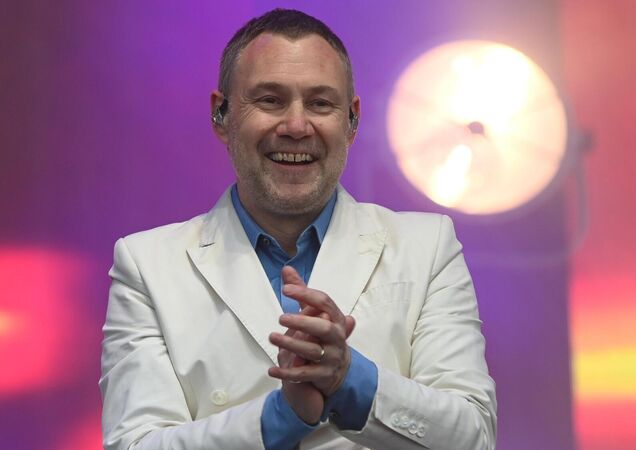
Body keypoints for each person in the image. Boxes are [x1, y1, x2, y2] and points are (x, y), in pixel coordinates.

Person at [100, 8, 496, 450]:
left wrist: (349, 379)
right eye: (270, 100)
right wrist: (282, 416)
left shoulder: (427, 247)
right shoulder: (148, 265)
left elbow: (473, 436)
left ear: (352, 121)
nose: (295, 126)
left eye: (320, 103)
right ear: (221, 115)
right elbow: (135, 444)